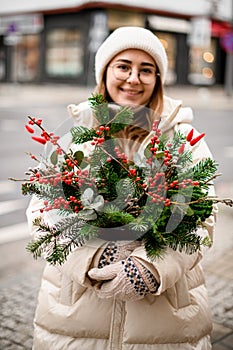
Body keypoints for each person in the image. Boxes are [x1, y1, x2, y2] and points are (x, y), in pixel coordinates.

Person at [27, 26, 217, 350]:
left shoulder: (183, 140)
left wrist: (153, 267)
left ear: (158, 78)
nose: (133, 79)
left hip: (166, 322)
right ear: (105, 72)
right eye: (124, 66)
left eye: (146, 70)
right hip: (74, 317)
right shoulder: (77, 136)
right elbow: (41, 214)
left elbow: (201, 220)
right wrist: (88, 259)